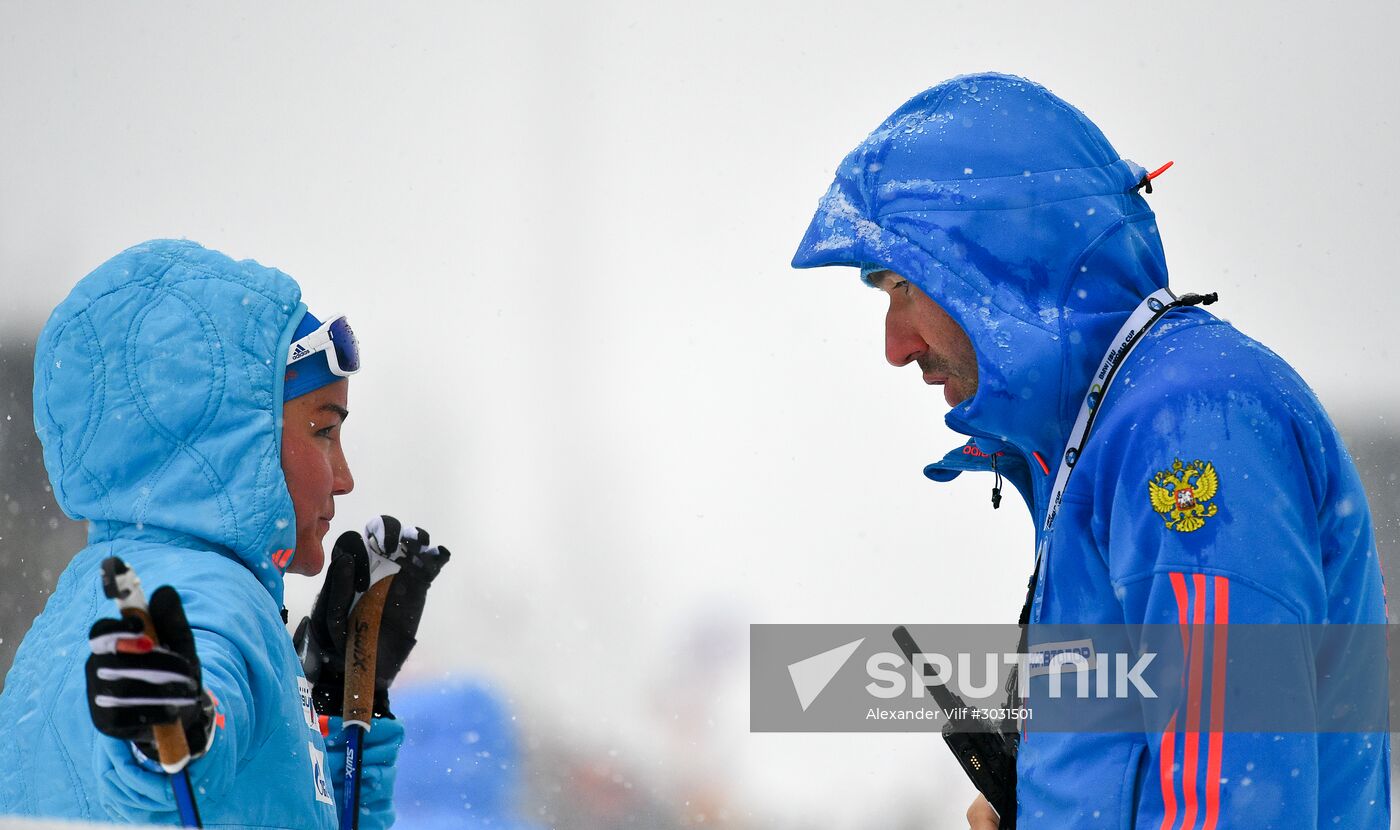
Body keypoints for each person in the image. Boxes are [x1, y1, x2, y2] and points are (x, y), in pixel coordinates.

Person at [792, 73, 1389, 828]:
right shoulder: (1108, 431)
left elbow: (1238, 798)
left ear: (995, 262)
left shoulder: (1187, 422)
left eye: (906, 286)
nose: (894, 346)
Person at [0, 239, 448, 828]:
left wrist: (344, 716)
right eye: (323, 431)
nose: (343, 478)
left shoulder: (64, 618)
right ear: (241, 441)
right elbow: (168, 781)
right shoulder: (209, 602)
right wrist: (167, 739)